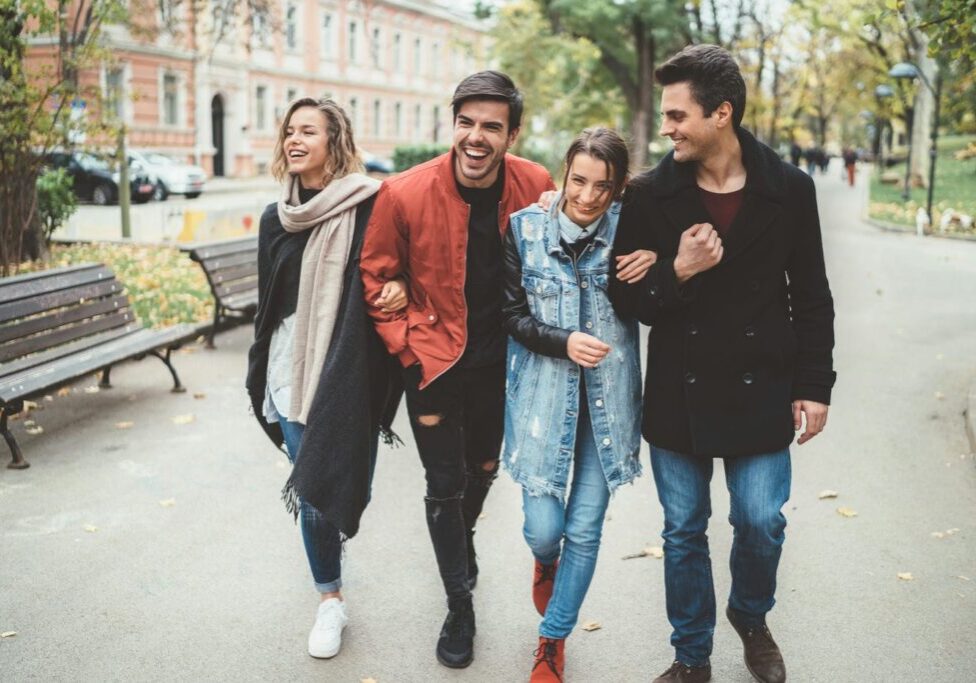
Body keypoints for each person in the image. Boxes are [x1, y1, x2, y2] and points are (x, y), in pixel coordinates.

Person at [608, 45, 836, 683]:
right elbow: (628, 299)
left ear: (722, 114)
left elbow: (811, 295)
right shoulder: (650, 194)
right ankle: (691, 655)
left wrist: (815, 386)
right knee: (683, 530)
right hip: (680, 394)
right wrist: (679, 271)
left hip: (764, 383)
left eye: (679, 115)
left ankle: (750, 615)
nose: (668, 128)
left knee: (760, 520)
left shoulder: (789, 189)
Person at [360, 71, 555, 668]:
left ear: (512, 134)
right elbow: (376, 278)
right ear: (453, 126)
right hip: (436, 364)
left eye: (491, 127)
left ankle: (459, 544)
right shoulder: (403, 193)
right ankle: (459, 603)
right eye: (466, 123)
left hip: (506, 365)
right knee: (444, 485)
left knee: (485, 469)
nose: (476, 137)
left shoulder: (535, 184)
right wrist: (408, 347)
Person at [245, 97, 403, 660]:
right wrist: (260, 369)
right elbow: (269, 307)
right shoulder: (275, 218)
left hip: (346, 365)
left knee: (335, 482)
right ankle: (330, 599)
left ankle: (329, 543)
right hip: (289, 366)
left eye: (307, 131)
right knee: (312, 487)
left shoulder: (371, 204)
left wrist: (399, 287)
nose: (294, 139)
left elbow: (397, 265)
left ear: (334, 141)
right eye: (289, 131)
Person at [502, 128, 654, 682]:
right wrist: (562, 341)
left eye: (603, 187)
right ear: (564, 172)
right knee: (546, 530)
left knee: (585, 529)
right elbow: (511, 317)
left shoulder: (634, 231)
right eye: (579, 181)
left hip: (609, 406)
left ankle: (552, 641)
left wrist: (660, 255)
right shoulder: (524, 229)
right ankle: (547, 562)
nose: (587, 197)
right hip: (543, 400)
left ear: (619, 190)